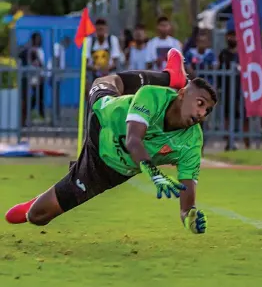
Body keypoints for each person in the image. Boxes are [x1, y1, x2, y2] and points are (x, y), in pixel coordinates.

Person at [4, 49, 214, 234]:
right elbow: (133, 140)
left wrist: (188, 215)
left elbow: (187, 189)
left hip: (107, 170)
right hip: (103, 119)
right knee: (106, 82)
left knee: (37, 216)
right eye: (200, 103)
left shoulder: (193, 142)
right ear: (183, 94)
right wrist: (154, 173)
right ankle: (170, 77)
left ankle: (41, 197)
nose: (202, 113)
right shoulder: (153, 96)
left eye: (208, 110)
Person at [218, 30, 245, 150]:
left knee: (243, 115)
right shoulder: (223, 53)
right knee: (227, 114)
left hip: (241, 88)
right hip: (227, 88)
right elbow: (219, 70)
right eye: (229, 36)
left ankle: (246, 142)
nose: (232, 38)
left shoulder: (243, 53)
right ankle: (229, 141)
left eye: (234, 35)